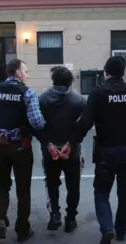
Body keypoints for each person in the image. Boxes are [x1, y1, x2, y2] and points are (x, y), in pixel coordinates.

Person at [67, 56, 126, 244]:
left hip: (105, 152)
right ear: (123, 72)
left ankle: (107, 227)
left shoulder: (98, 93)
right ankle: (121, 230)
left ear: (106, 72)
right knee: (125, 193)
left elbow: (85, 122)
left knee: (101, 191)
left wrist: (73, 142)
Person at [0, 58, 45, 243]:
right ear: (17, 73)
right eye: (25, 71)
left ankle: (1, 218)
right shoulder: (27, 93)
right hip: (20, 148)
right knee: (23, 189)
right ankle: (22, 229)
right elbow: (37, 122)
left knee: (2, 184)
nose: (27, 75)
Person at [38, 66, 86, 233]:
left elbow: (36, 124)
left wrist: (48, 143)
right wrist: (71, 144)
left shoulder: (42, 99)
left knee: (51, 183)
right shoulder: (79, 100)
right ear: (70, 82)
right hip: (72, 152)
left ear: (53, 80)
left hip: (50, 151)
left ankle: (55, 214)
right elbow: (83, 126)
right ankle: (70, 218)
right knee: (73, 186)